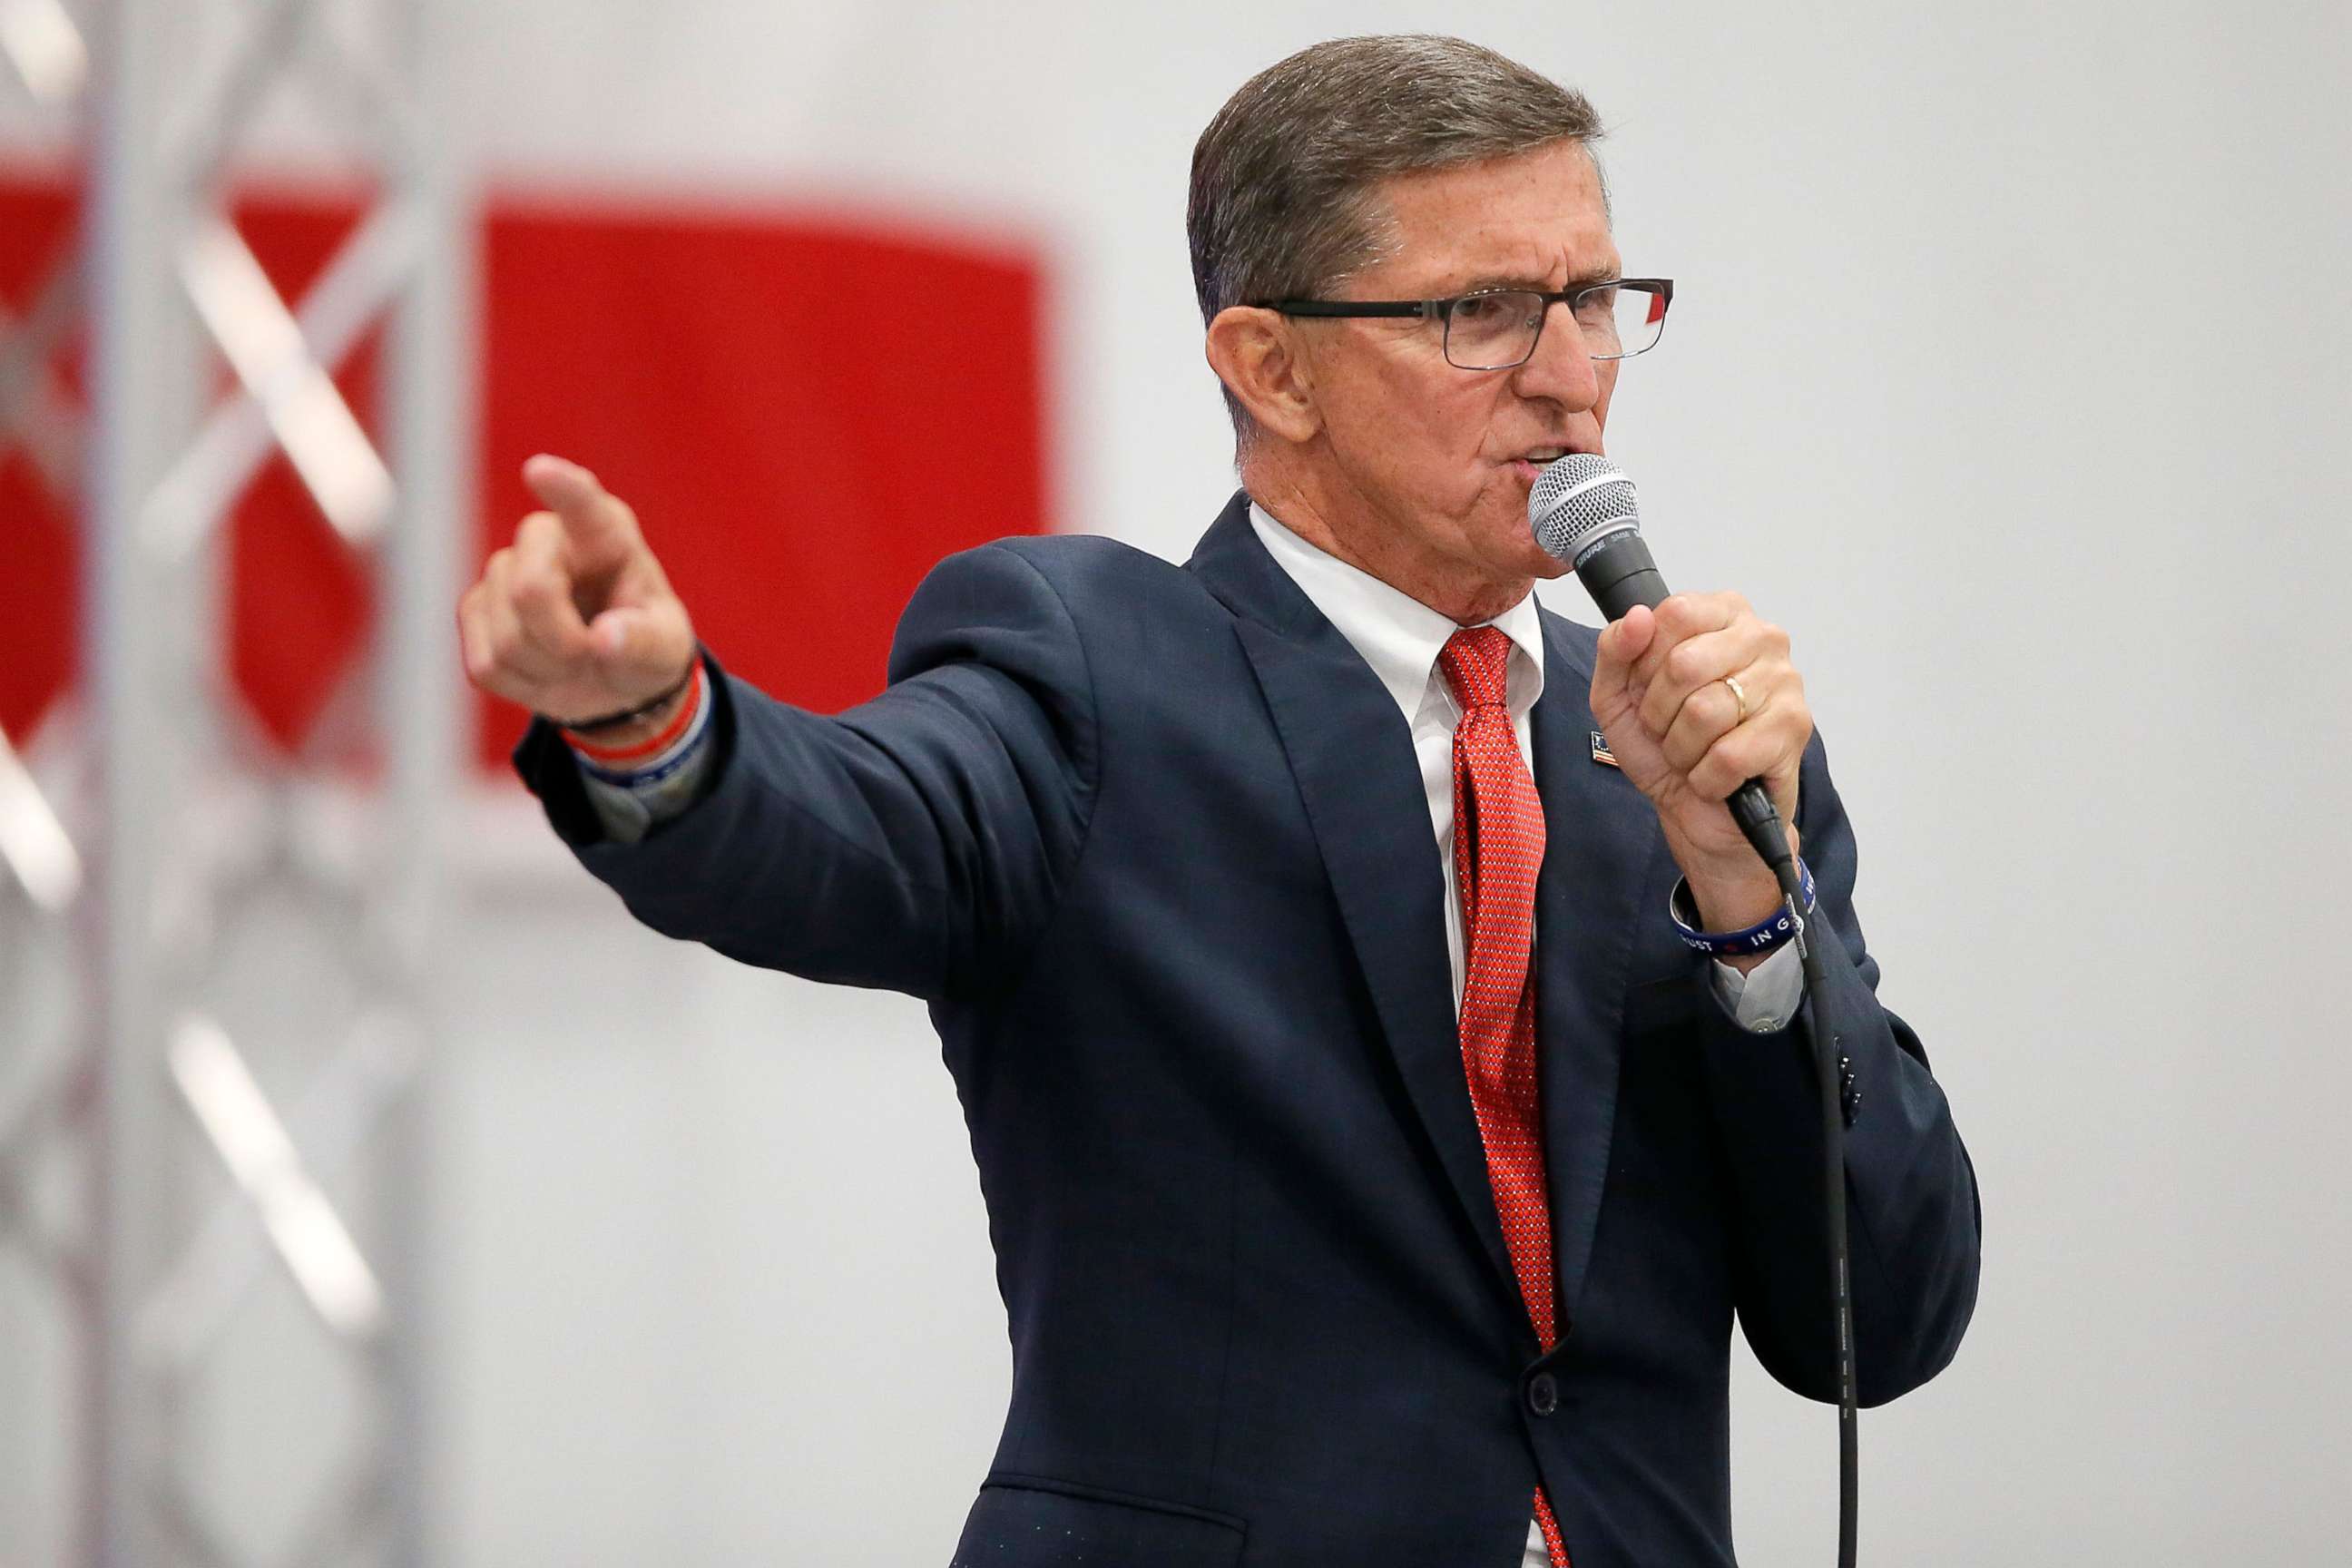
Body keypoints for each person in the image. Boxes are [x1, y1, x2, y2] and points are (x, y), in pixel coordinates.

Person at [456, 34, 1978, 1568]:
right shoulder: (1095, 672)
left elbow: (1886, 1319)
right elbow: (839, 830)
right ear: (1271, 367)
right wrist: (657, 721)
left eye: (1592, 299)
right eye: (1483, 312)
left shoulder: (1692, 750)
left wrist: (1746, 921)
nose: (1574, 377)